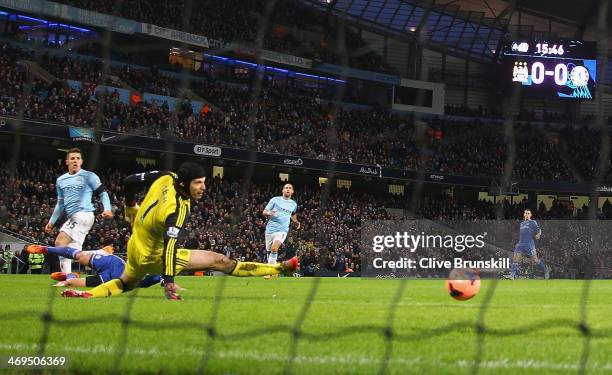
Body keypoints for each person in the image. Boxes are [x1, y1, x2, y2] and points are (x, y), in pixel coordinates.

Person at [62, 162, 298, 300]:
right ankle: (279, 267)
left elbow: (129, 181)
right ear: (184, 183)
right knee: (221, 262)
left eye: (204, 182)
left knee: (126, 282)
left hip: (134, 246)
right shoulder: (178, 210)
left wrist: (130, 207)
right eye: (198, 183)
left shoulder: (166, 175)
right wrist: (169, 281)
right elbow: (170, 246)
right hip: (154, 255)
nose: (203, 187)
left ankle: (89, 296)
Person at [45, 148, 113, 274]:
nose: (75, 161)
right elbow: (60, 204)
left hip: (84, 214)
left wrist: (107, 209)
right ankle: (100, 253)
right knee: (73, 253)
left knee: (60, 242)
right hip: (73, 217)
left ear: (81, 161)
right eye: (72, 158)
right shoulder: (61, 180)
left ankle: (66, 277)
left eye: (77, 158)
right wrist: (51, 222)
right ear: (67, 162)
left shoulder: (89, 176)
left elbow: (103, 193)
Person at [26, 244, 162, 288]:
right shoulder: (148, 268)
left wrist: (68, 280)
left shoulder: (145, 280)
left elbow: (161, 278)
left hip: (113, 279)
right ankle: (45, 249)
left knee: (71, 282)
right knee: (81, 256)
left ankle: (70, 275)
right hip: (113, 263)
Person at [262, 183, 300, 276]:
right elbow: (264, 211)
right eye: (286, 188)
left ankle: (269, 272)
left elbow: (293, 213)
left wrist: (295, 222)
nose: (288, 189)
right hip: (270, 229)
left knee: (274, 249)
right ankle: (274, 268)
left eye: (290, 188)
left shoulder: (293, 204)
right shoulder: (275, 200)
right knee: (269, 251)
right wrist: (268, 213)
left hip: (282, 230)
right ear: (283, 190)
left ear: (292, 191)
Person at [508, 209, 549, 279]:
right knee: (515, 260)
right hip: (520, 244)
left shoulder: (533, 222)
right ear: (524, 215)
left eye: (528, 213)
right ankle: (512, 276)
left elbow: (539, 230)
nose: (527, 214)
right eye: (526, 213)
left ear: (530, 215)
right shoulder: (521, 224)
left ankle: (546, 270)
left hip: (529, 244)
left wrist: (538, 234)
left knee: (536, 260)